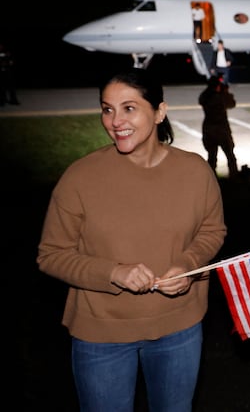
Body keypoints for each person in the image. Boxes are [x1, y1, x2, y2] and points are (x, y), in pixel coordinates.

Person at [36, 67, 227, 412]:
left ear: (158, 112)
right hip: (102, 336)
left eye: (128, 108)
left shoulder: (196, 171)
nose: (114, 121)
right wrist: (113, 272)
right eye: (107, 109)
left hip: (178, 328)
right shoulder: (80, 177)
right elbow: (51, 254)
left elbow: (212, 231)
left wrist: (186, 264)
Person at [198, 75, 239, 178]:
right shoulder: (220, 96)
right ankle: (234, 177)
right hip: (221, 129)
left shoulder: (205, 96)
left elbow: (202, 100)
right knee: (230, 155)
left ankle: (211, 178)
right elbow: (232, 104)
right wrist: (225, 92)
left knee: (212, 156)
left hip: (208, 128)